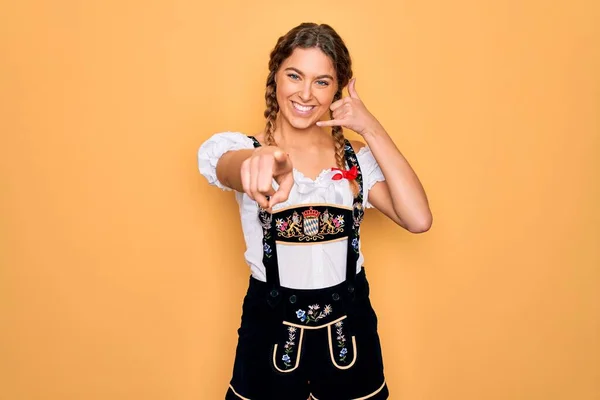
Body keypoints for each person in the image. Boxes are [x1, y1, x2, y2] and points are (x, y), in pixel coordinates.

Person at [197, 22, 432, 400]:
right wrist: (259, 159)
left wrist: (370, 127)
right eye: (294, 75)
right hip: (270, 335)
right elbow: (229, 166)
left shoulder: (354, 159)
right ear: (275, 76)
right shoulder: (244, 150)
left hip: (349, 337)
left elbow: (418, 218)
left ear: (337, 90)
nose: (305, 93)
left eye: (322, 82)